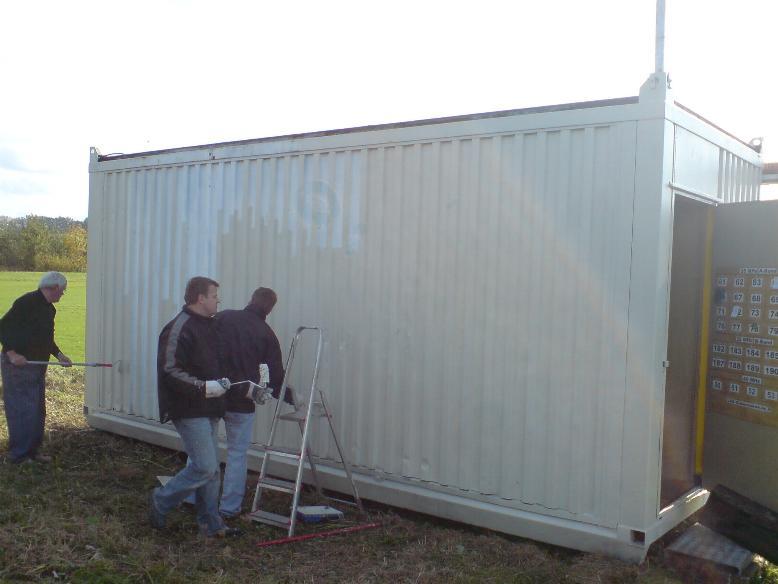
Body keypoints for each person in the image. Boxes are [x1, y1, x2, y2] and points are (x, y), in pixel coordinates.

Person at [149, 276, 241, 538]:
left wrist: (240, 386)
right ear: (200, 298)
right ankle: (161, 499)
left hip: (210, 407)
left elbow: (220, 365)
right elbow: (169, 370)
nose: (218, 301)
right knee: (205, 467)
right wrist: (203, 387)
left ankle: (210, 524)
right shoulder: (179, 327)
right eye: (214, 296)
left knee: (212, 471)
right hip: (187, 407)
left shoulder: (211, 326)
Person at [215, 286, 289, 518]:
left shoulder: (223, 317)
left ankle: (191, 498)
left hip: (213, 395)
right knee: (237, 454)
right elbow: (275, 378)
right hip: (242, 402)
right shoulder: (266, 334)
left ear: (251, 299)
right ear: (270, 309)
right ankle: (229, 508)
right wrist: (292, 398)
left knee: (203, 449)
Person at [0, 271, 72, 464]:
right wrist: (12, 354)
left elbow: (45, 339)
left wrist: (59, 355)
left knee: (37, 410)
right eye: (62, 290)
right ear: (54, 287)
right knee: (22, 410)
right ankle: (19, 455)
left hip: (38, 366)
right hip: (17, 367)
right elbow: (3, 327)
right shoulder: (26, 303)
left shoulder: (49, 309)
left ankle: (33, 451)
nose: (63, 294)